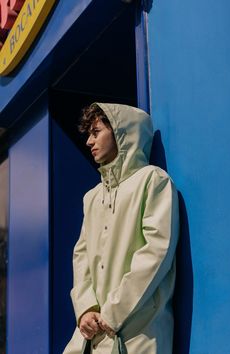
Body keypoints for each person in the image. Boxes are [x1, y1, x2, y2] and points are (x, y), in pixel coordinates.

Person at [63, 103, 179, 354]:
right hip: (94, 335)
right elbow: (81, 257)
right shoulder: (92, 197)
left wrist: (113, 312)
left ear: (120, 132)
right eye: (88, 135)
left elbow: (157, 251)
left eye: (96, 132)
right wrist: (85, 309)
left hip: (140, 332)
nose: (89, 142)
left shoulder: (152, 181)